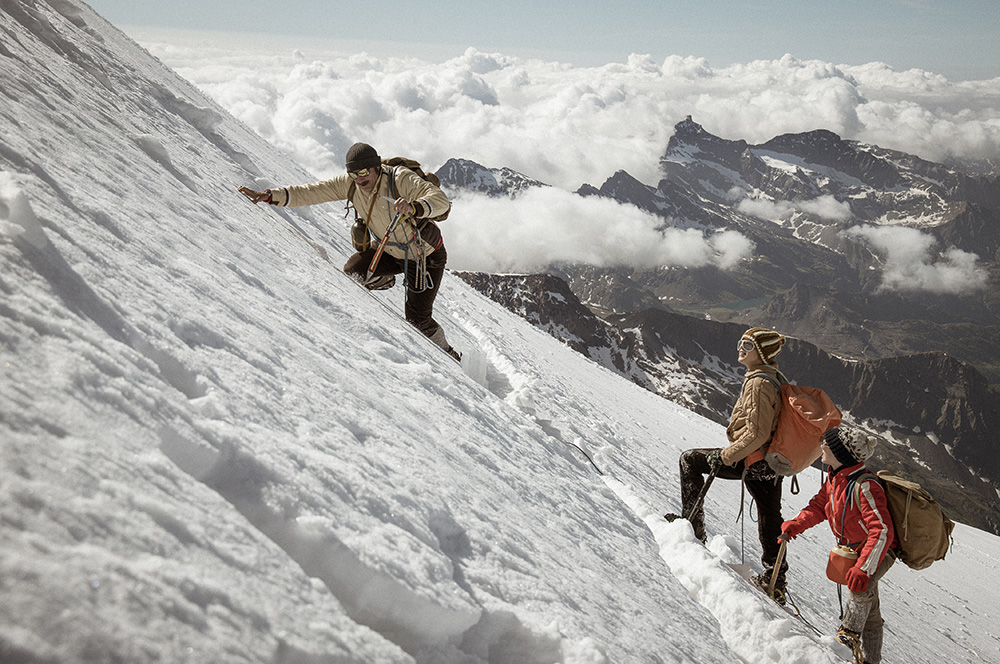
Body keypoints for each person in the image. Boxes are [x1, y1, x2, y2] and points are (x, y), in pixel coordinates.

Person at [238, 143, 460, 361]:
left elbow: (440, 201)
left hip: (424, 256)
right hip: (388, 249)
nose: (359, 179)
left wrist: (415, 207)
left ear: (376, 168)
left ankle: (448, 354)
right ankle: (384, 279)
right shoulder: (351, 184)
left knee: (418, 320)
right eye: (353, 174)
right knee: (353, 272)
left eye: (363, 172)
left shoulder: (399, 178)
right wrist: (269, 196)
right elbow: (311, 192)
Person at [665, 327, 789, 599]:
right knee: (770, 517)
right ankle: (775, 577)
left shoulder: (758, 383)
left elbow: (756, 433)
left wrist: (725, 455)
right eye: (740, 342)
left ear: (762, 352)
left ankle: (693, 527)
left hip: (752, 459)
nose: (740, 347)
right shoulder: (773, 378)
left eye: (747, 344)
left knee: (690, 460)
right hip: (772, 463)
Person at [780, 427, 897, 664]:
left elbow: (882, 530)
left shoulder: (865, 486)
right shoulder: (836, 478)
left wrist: (863, 567)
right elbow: (818, 506)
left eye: (828, 444)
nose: (822, 445)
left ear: (841, 454)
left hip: (878, 549)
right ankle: (871, 660)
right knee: (871, 611)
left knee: (860, 587)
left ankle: (848, 635)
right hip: (857, 548)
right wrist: (796, 524)